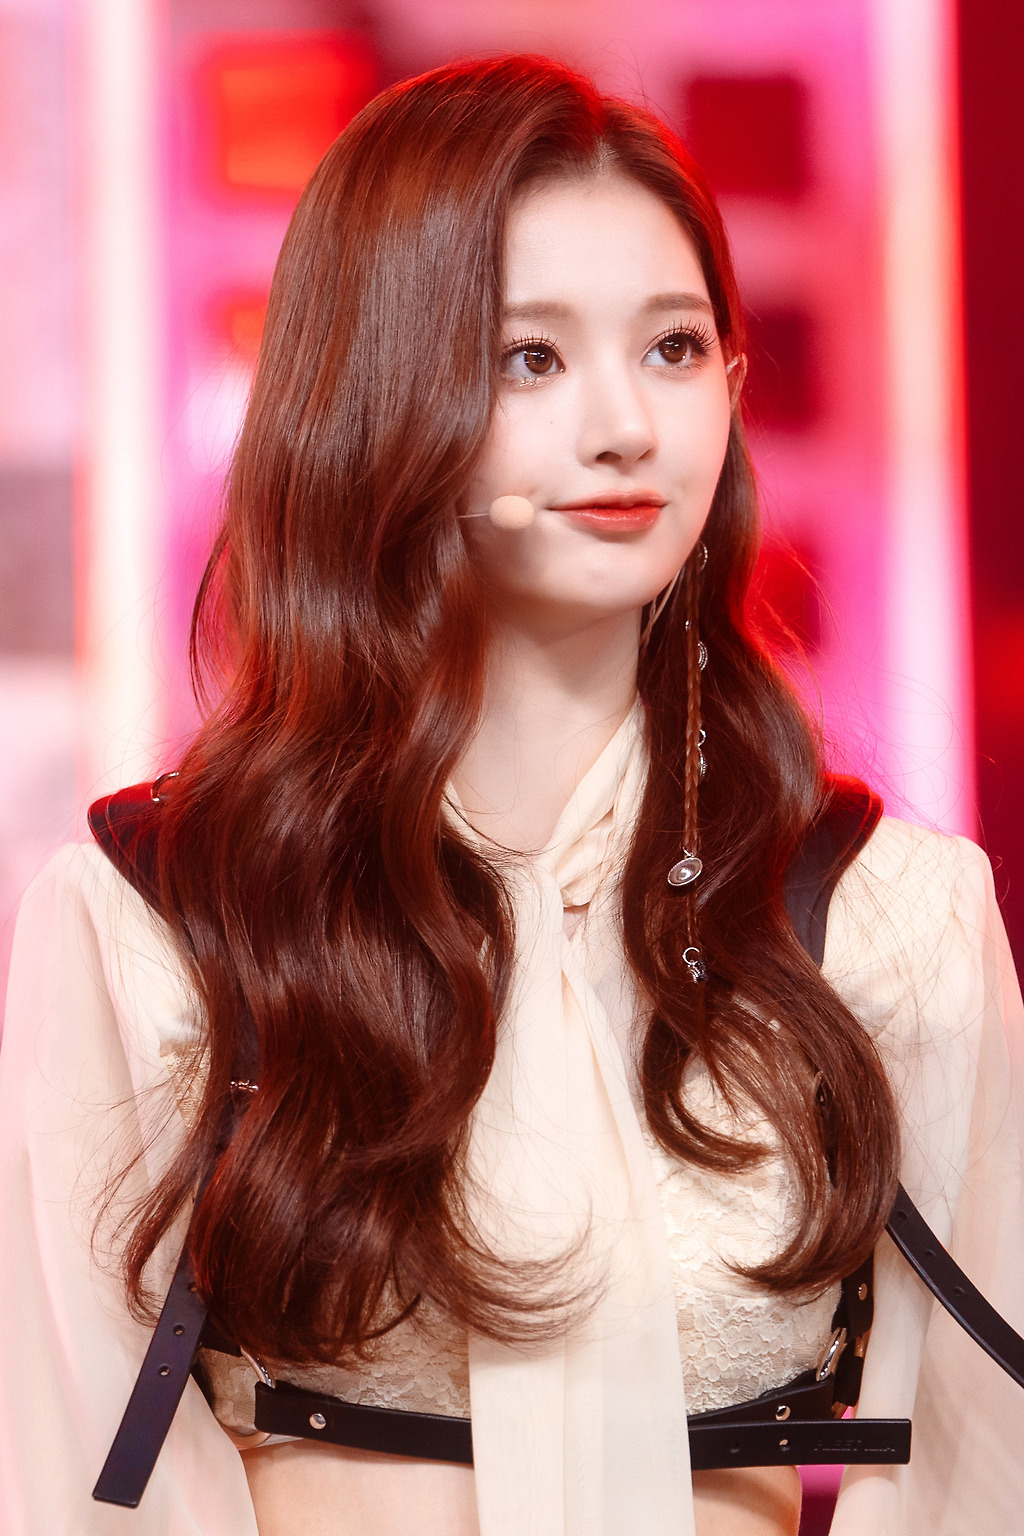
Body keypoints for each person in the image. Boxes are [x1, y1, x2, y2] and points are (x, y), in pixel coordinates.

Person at [1, 54, 1022, 1536]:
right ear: (372, 396)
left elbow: (977, 1476)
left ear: (735, 386)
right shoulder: (159, 920)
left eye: (674, 348)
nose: (626, 425)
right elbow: (80, 1479)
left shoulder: (890, 919)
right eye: (529, 357)